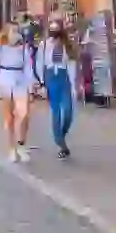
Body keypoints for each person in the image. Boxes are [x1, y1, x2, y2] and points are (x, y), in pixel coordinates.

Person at [0, 23, 37, 163]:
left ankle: (21, 143)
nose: (15, 34)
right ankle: (12, 148)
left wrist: (31, 86)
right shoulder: (0, 49)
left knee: (24, 115)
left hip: (20, 82)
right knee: (9, 118)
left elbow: (28, 68)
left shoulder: (24, 50)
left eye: (17, 31)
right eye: (13, 31)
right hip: (5, 82)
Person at [37, 18, 81, 159]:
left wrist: (74, 86)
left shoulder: (66, 45)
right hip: (51, 77)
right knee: (56, 111)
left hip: (64, 77)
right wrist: (42, 83)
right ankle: (61, 144)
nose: (53, 32)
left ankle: (61, 135)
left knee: (68, 111)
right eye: (51, 29)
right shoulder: (44, 45)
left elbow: (72, 65)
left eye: (56, 29)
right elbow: (40, 64)